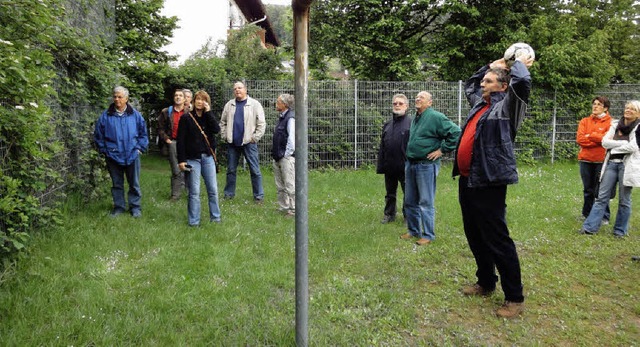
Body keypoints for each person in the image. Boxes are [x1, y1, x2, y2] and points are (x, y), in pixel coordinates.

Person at [452, 54, 534, 319]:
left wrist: (516, 62)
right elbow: (470, 85)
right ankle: (486, 282)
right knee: (474, 234)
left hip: (490, 181)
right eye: (484, 81)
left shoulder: (509, 107)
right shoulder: (481, 104)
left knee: (497, 238)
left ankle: (515, 297)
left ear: (502, 86)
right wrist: (490, 66)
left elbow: (522, 82)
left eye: (489, 81)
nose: (483, 84)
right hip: (468, 180)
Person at [400, 91, 460, 246]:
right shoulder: (416, 118)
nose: (417, 99)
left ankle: (428, 235)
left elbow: (456, 133)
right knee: (409, 200)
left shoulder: (435, 117)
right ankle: (413, 231)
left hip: (426, 166)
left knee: (426, 201)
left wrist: (441, 150)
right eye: (417, 97)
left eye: (422, 97)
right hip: (411, 164)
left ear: (430, 103)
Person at [579, 100, 640, 237]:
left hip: (626, 165)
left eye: (632, 109)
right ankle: (589, 228)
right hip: (611, 164)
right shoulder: (615, 124)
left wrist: (615, 146)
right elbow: (605, 142)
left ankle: (619, 231)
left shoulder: (638, 127)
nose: (628, 110)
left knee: (624, 200)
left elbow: (633, 147)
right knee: (601, 196)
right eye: (627, 108)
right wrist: (623, 143)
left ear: (638, 114)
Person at [94, 86, 149, 218]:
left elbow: (143, 134)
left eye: (120, 97)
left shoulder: (135, 115)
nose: (117, 99)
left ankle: (135, 208)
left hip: (132, 154)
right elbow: (98, 135)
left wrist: (139, 148)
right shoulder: (106, 116)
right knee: (116, 184)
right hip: (113, 156)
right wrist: (105, 151)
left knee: (134, 184)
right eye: (115, 97)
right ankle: (119, 207)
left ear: (126, 99)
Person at [177, 90, 222, 226]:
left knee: (213, 190)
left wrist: (208, 113)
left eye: (203, 100)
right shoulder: (186, 118)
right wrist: (181, 160)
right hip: (192, 159)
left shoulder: (209, 117)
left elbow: (216, 130)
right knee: (194, 192)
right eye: (198, 99)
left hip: (208, 158)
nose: (200, 102)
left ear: (206, 102)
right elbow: (181, 140)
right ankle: (194, 221)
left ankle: (215, 218)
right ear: (193, 101)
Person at [219, 81, 266, 203]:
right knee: (231, 170)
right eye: (235, 89)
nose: (237, 90)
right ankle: (228, 194)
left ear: (245, 89)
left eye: (239, 88)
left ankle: (258, 196)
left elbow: (261, 123)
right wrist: (224, 135)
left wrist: (254, 138)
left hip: (249, 143)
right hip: (232, 143)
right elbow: (222, 122)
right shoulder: (229, 105)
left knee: (255, 170)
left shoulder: (254, 104)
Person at [377, 94, 412, 224]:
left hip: (405, 166)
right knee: (390, 193)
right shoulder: (387, 124)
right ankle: (389, 214)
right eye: (395, 103)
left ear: (406, 106)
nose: (397, 105)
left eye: (400, 103)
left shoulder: (412, 123)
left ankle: (408, 217)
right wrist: (381, 165)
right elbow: (383, 147)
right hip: (389, 166)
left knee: (408, 194)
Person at [576, 96, 612, 222]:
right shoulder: (585, 121)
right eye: (594, 104)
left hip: (601, 160)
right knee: (588, 189)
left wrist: (590, 135)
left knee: (602, 190)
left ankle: (604, 217)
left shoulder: (610, 123)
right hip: (585, 159)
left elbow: (607, 140)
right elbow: (580, 139)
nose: (595, 106)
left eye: (599, 104)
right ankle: (586, 214)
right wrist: (597, 139)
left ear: (605, 108)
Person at [157, 89, 187, 200]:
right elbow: (160, 128)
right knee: (176, 170)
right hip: (173, 143)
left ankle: (190, 194)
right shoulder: (166, 112)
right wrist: (166, 139)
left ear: (184, 99)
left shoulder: (190, 112)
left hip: (187, 144)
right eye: (176, 95)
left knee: (189, 168)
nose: (178, 97)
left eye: (180, 95)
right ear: (174, 98)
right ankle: (175, 195)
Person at [271, 94, 296, 217]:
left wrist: (286, 155)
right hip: (277, 156)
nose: (276, 103)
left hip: (285, 158)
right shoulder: (282, 117)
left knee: (289, 184)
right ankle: (283, 207)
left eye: (278, 101)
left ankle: (293, 209)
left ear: (284, 104)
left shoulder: (290, 118)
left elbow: (292, 139)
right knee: (280, 185)